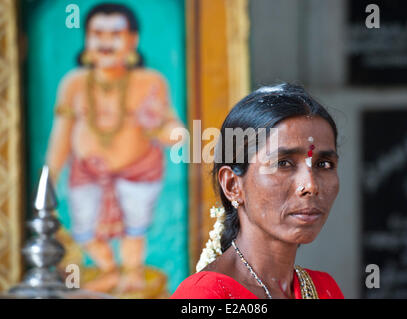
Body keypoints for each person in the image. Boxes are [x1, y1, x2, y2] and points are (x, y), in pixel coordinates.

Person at [46, 3, 183, 293]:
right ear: (86, 38)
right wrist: (49, 180)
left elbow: (178, 135)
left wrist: (156, 125)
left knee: (134, 231)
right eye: (97, 33)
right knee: (84, 231)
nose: (105, 41)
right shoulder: (73, 83)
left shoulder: (150, 82)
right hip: (86, 173)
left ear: (133, 40)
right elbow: (61, 138)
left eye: (116, 33)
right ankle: (109, 269)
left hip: (138, 172)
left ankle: (130, 274)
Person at [171, 83, 344, 299]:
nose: (311, 185)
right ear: (233, 185)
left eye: (324, 164)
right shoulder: (204, 296)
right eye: (283, 163)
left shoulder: (323, 289)